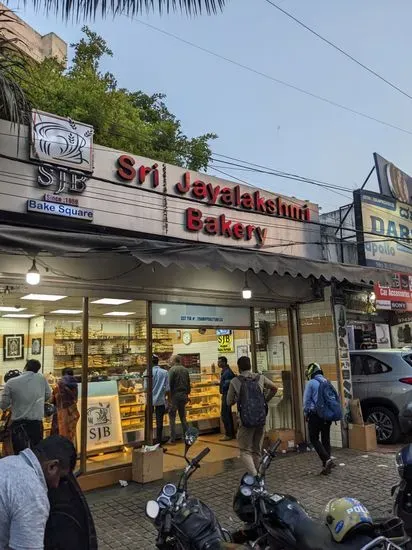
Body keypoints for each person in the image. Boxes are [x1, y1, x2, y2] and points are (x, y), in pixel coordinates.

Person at [0, 435, 76, 550]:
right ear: (52, 467)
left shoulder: (8, 462)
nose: (56, 486)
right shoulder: (33, 494)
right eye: (61, 478)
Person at [227, 356, 277, 476]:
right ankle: (260, 474)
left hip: (245, 421)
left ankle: (255, 476)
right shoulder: (260, 378)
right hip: (261, 419)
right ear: (250, 365)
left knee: (245, 450)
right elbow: (274, 388)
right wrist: (265, 400)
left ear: (239, 368)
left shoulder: (235, 381)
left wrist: (237, 398)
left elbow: (228, 402)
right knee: (256, 450)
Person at [0, 359, 51, 454]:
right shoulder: (41, 379)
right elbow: (48, 395)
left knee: (20, 454)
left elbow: (3, 404)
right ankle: (34, 469)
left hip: (19, 425)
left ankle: (23, 469)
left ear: (26, 367)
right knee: (36, 452)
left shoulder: (11, 382)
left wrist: (14, 403)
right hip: (36, 423)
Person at [303, 362, 335, 475]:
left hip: (315, 415)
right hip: (328, 415)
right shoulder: (327, 381)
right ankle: (327, 466)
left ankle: (327, 460)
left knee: (313, 438)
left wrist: (306, 412)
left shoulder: (311, 383)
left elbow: (306, 401)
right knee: (326, 439)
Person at [144, 355, 170, 445]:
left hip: (149, 401)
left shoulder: (146, 372)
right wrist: (168, 401)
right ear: (158, 362)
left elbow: (145, 388)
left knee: (148, 421)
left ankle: (148, 441)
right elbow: (167, 389)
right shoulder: (165, 372)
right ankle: (159, 442)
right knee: (159, 423)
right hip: (160, 401)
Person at [51, 367, 80, 444]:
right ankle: (69, 450)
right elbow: (75, 399)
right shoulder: (75, 385)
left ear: (63, 374)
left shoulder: (59, 385)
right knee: (70, 433)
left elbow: (53, 400)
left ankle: (59, 453)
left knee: (59, 434)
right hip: (72, 412)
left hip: (60, 413)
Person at [168, 354, 191, 444]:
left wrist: (169, 398)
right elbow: (189, 384)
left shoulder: (172, 370)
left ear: (174, 361)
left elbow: (169, 385)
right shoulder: (185, 370)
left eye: (171, 360)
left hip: (175, 396)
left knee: (172, 418)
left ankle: (172, 438)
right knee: (183, 417)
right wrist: (187, 395)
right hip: (184, 396)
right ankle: (186, 437)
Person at [218, 356, 236, 441]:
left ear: (224, 363)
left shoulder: (227, 372)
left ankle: (228, 434)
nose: (218, 363)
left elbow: (228, 384)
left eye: (220, 362)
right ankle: (231, 433)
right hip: (226, 394)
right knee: (227, 414)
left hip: (227, 395)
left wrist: (220, 385)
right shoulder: (224, 371)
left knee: (225, 414)